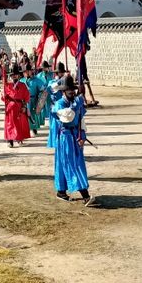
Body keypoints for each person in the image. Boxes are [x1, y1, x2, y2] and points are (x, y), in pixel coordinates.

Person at [53, 75, 95, 205]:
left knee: (73, 163)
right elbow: (67, 118)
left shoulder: (76, 102)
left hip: (75, 137)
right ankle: (85, 195)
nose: (72, 91)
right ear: (63, 91)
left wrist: (82, 135)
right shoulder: (60, 104)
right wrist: (76, 106)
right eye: (68, 89)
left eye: (73, 89)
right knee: (72, 165)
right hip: (65, 138)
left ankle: (61, 191)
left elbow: (81, 119)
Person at [3, 64, 31, 148]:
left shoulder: (22, 85)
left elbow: (27, 96)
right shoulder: (8, 85)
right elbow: (4, 98)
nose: (14, 76)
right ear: (10, 76)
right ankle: (10, 140)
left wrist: (24, 106)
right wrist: (4, 96)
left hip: (19, 106)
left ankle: (19, 139)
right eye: (12, 75)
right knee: (10, 124)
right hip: (10, 107)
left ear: (18, 75)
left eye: (15, 75)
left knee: (19, 123)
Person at [47, 63, 68, 149]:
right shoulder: (52, 82)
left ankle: (62, 142)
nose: (62, 74)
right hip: (55, 107)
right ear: (57, 73)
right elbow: (51, 89)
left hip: (64, 106)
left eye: (63, 72)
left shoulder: (65, 81)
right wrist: (59, 83)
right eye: (60, 72)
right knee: (55, 126)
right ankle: (56, 143)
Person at [23, 64, 47, 135]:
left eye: (28, 71)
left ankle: (34, 128)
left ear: (31, 71)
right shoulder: (22, 80)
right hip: (23, 101)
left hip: (33, 100)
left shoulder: (37, 80)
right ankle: (25, 129)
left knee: (32, 115)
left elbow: (43, 90)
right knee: (24, 116)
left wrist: (40, 99)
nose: (27, 73)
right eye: (25, 71)